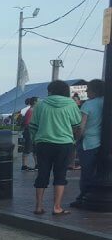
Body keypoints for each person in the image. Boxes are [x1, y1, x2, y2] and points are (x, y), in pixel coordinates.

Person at [30, 80, 82, 216]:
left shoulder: (40, 104)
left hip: (43, 143)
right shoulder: (71, 104)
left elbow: (33, 126)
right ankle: (57, 207)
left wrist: (35, 140)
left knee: (42, 174)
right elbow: (77, 124)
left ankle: (38, 206)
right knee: (60, 175)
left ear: (50, 91)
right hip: (64, 143)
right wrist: (74, 138)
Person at [71, 79, 103, 208]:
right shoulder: (106, 103)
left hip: (88, 143)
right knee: (99, 172)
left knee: (87, 173)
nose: (86, 91)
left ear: (95, 90)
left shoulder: (88, 105)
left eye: (88, 89)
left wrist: (76, 138)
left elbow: (81, 126)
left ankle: (83, 196)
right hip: (102, 143)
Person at [21, 97, 37, 171]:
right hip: (29, 132)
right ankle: (24, 165)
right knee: (28, 148)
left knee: (34, 149)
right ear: (35, 102)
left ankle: (37, 164)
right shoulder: (31, 111)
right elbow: (27, 123)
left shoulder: (32, 110)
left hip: (32, 132)